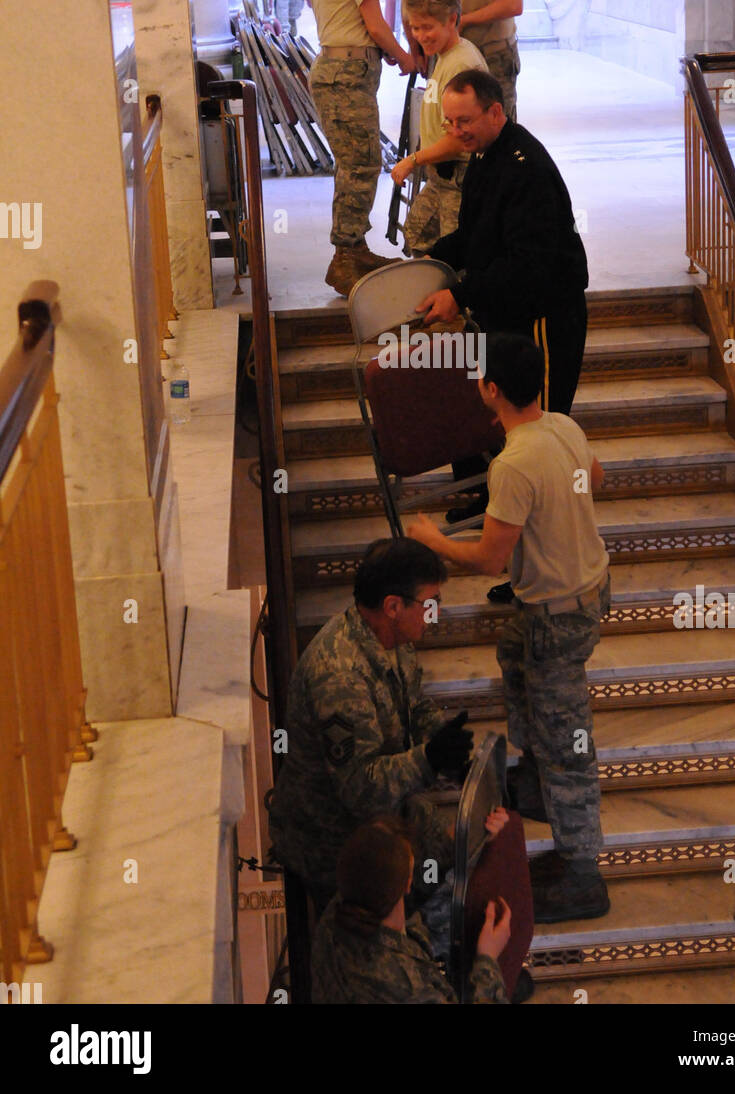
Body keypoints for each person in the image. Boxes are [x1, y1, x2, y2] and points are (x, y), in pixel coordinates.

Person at [407, 332, 611, 925]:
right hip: (577, 594)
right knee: (511, 654)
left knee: (568, 737)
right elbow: (595, 480)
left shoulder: (514, 462)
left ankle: (582, 871)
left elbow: (490, 560)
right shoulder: (564, 428)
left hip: (559, 612)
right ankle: (538, 786)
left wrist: (432, 541)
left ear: (490, 389)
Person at [419, 68, 589, 593]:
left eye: (465, 120)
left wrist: (460, 293)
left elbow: (525, 263)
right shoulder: (487, 156)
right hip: (509, 317)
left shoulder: (526, 168)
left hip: (541, 321)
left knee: (539, 450)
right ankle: (501, 520)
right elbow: (478, 235)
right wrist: (427, 260)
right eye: (450, 122)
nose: (456, 131)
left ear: (496, 111)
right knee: (512, 444)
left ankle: (540, 574)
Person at [267, 538, 473, 921]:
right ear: (393, 606)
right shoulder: (339, 675)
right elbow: (360, 791)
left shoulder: (393, 639)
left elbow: (412, 704)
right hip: (335, 839)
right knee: (442, 907)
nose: (435, 615)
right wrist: (428, 759)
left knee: (466, 851)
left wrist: (444, 742)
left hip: (387, 809)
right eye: (429, 604)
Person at [307, 0, 415, 297]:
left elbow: (349, 23)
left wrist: (380, 50)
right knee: (362, 163)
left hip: (335, 68)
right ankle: (344, 256)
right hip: (349, 74)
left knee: (352, 162)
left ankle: (354, 247)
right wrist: (403, 55)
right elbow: (373, 23)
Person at [312, 813, 511, 1004]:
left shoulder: (342, 905)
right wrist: (488, 960)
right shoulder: (410, 989)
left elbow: (410, 882)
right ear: (407, 883)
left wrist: (455, 845)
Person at [390, 0, 488, 254]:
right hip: (440, 177)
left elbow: (460, 139)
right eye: (415, 27)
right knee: (418, 235)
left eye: (428, 27)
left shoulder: (462, 64)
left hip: (459, 178)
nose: (421, 36)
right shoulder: (443, 55)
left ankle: (455, 295)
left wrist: (413, 160)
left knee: (455, 253)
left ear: (452, 20)